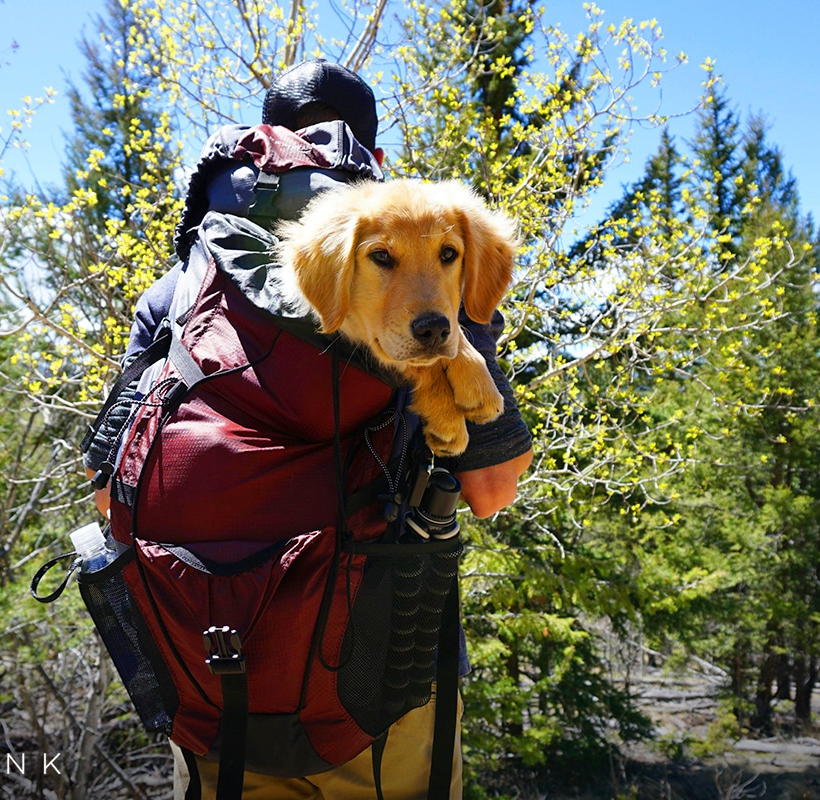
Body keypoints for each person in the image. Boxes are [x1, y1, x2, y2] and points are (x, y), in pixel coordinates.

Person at [85, 59, 532, 799]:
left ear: (264, 144)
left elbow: (110, 492)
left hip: (210, 683)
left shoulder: (182, 286)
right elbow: (490, 488)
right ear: (376, 162)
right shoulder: (427, 269)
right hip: (381, 684)